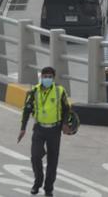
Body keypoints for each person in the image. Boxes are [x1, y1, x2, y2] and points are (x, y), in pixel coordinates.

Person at [18, 66, 72, 196]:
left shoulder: (60, 91)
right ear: (41, 77)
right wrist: (23, 128)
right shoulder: (34, 91)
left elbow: (66, 109)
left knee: (52, 161)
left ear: (53, 78)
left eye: (50, 77)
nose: (47, 79)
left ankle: (48, 189)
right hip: (39, 129)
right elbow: (27, 109)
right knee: (35, 156)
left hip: (54, 130)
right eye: (45, 76)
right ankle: (38, 181)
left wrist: (65, 124)